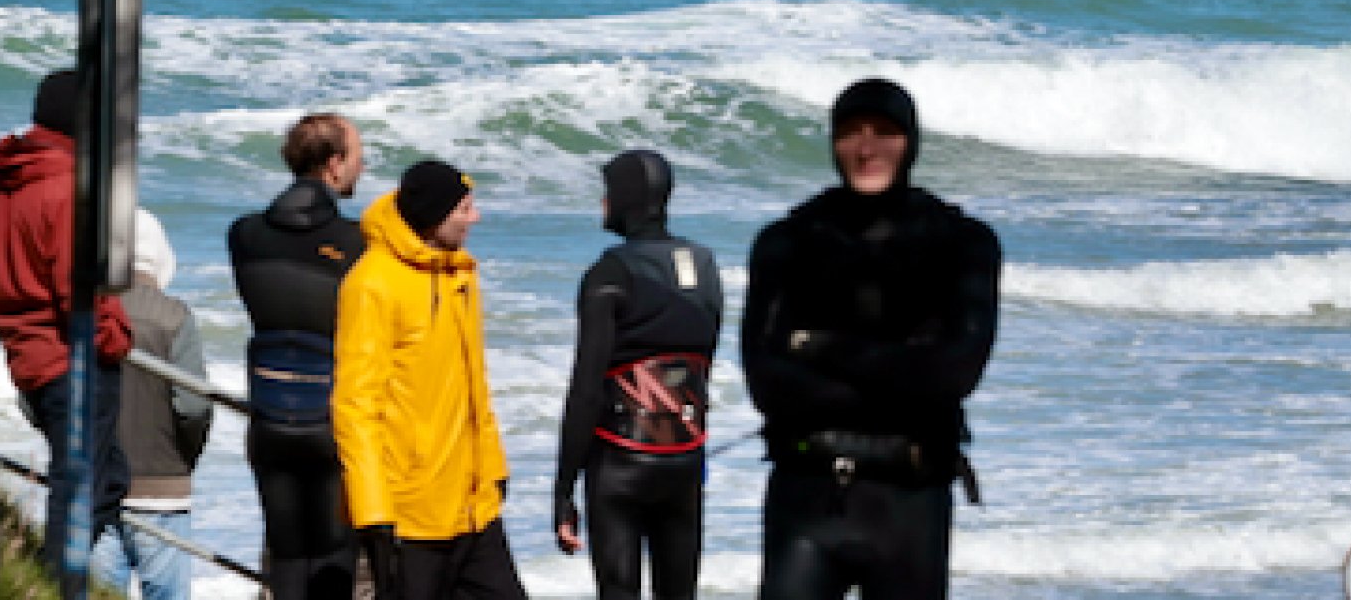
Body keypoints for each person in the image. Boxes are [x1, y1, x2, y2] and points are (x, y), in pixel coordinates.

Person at [742, 79, 1001, 600]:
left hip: (911, 499)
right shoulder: (788, 242)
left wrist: (817, 348)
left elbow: (955, 374)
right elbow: (768, 387)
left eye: (884, 133)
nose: (866, 149)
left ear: (911, 141)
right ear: (832, 143)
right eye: (851, 133)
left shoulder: (960, 244)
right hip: (805, 494)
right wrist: (904, 376)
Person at [333, 161, 520, 600]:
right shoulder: (372, 283)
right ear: (435, 217)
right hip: (407, 512)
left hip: (475, 505)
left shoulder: (460, 273)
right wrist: (372, 506)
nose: (476, 218)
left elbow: (476, 388)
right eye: (465, 209)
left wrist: (494, 469)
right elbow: (355, 404)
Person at [553, 152, 723, 600]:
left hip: (619, 464)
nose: (604, 202)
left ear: (625, 199)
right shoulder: (705, 267)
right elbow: (702, 365)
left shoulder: (609, 273)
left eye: (609, 191)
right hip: (684, 459)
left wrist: (564, 490)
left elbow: (586, 390)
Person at [0, 70, 133, 574]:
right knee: (84, 483)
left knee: (101, 476)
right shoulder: (69, 188)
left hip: (28, 351)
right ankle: (53, 578)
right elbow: (80, 288)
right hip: (73, 358)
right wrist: (115, 338)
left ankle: (57, 575)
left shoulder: (6, 185)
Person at [228, 113, 367, 600]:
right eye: (356, 156)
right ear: (333, 165)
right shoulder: (359, 245)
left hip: (269, 418)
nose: (362, 167)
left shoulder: (243, 234)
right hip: (331, 421)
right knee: (333, 558)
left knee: (286, 558)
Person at [94, 211, 211, 600]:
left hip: (95, 487)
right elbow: (193, 407)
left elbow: (39, 393)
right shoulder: (175, 317)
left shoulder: (86, 314)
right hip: (163, 494)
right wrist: (182, 461)